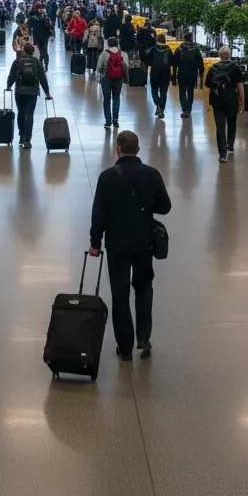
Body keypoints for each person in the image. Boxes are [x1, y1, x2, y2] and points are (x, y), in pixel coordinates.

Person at [88, 131, 171, 362]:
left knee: (120, 293)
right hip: (144, 243)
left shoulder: (107, 177)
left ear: (118, 149)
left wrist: (95, 242)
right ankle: (143, 337)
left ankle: (125, 347)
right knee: (144, 287)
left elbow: (99, 214)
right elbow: (165, 207)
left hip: (117, 245)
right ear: (138, 149)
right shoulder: (151, 174)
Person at [6, 43, 52, 149]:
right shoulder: (36, 62)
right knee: (29, 114)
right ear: (32, 52)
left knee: (21, 113)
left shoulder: (17, 61)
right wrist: (47, 93)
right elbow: (42, 78)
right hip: (32, 91)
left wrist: (9, 86)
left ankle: (21, 136)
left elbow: (12, 75)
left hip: (20, 91)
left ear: (23, 50)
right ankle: (27, 140)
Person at [207, 46, 245, 164]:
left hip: (217, 102)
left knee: (220, 127)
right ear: (230, 55)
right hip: (231, 101)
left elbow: (208, 84)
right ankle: (230, 144)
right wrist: (242, 102)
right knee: (232, 122)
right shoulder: (235, 68)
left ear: (220, 56)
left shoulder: (213, 68)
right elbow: (240, 86)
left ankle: (222, 154)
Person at [96, 36, 127, 129]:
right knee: (116, 98)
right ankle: (115, 120)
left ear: (108, 44)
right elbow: (126, 65)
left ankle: (108, 121)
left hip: (106, 78)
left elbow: (98, 67)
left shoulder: (104, 54)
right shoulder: (122, 54)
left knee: (107, 99)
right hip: (119, 78)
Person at [171, 32, 204, 119]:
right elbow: (200, 63)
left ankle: (184, 110)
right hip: (192, 74)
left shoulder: (179, 49)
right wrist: (201, 75)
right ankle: (189, 110)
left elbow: (174, 64)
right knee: (190, 92)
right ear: (191, 39)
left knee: (182, 92)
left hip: (181, 73)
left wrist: (173, 77)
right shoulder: (196, 49)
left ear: (184, 39)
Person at [148, 33, 174, 120]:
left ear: (157, 40)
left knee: (154, 91)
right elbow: (171, 61)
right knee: (164, 92)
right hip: (165, 74)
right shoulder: (168, 49)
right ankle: (161, 109)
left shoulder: (153, 49)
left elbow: (148, 60)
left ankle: (158, 105)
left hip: (155, 73)